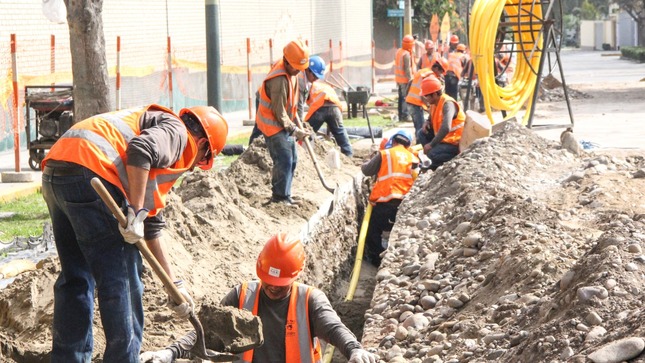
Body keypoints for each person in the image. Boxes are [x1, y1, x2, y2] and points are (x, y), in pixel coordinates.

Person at [40, 104, 229, 362]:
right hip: (90, 174)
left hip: (57, 171)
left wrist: (174, 285)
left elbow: (150, 225)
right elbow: (140, 151)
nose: (196, 167)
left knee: (76, 277)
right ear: (204, 145)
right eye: (204, 160)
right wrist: (135, 211)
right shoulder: (178, 133)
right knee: (123, 281)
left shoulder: (154, 126)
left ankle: (68, 358)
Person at [139, 233, 379, 363]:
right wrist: (169, 353)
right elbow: (204, 331)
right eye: (268, 282)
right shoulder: (241, 295)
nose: (272, 289)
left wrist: (354, 350)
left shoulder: (310, 300)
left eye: (280, 285)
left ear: (296, 276)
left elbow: (333, 328)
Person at [255, 39, 312, 206]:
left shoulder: (291, 72)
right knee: (284, 159)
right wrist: (294, 130)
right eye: (296, 67)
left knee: (293, 159)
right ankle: (279, 197)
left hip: (283, 123)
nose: (299, 71)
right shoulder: (279, 80)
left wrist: (295, 122)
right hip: (273, 125)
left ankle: (286, 194)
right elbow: (279, 112)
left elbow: (290, 105)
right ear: (287, 62)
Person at [361, 130, 418, 266]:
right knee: (399, 234)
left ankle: (377, 258)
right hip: (406, 204)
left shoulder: (385, 154)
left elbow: (367, 170)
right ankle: (396, 260)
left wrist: (365, 162)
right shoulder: (414, 158)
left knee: (372, 229)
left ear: (392, 141)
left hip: (385, 202)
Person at [303, 55, 353, 156]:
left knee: (306, 131)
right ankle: (348, 154)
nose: (316, 79)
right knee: (340, 132)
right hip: (335, 109)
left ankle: (304, 153)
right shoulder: (323, 86)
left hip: (320, 109)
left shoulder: (308, 85)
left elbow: (303, 102)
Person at [416, 75, 465, 170]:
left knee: (432, 155)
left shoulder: (448, 104)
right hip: (444, 139)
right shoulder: (434, 102)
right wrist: (427, 122)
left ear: (434, 94)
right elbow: (432, 116)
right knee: (421, 133)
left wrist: (431, 145)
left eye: (426, 96)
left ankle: (438, 162)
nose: (425, 98)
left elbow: (446, 127)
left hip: (455, 143)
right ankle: (432, 158)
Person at [405, 67, 434, 134]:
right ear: (437, 69)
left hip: (410, 101)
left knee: (418, 126)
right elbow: (423, 93)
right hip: (416, 104)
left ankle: (418, 142)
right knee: (421, 129)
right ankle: (420, 143)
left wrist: (406, 96)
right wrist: (429, 108)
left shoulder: (422, 71)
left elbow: (410, 82)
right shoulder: (430, 75)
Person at [394, 34, 416, 122]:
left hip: (398, 79)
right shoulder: (406, 54)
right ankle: (405, 115)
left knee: (400, 98)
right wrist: (411, 80)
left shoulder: (399, 51)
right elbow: (407, 69)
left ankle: (400, 115)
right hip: (405, 80)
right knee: (405, 98)